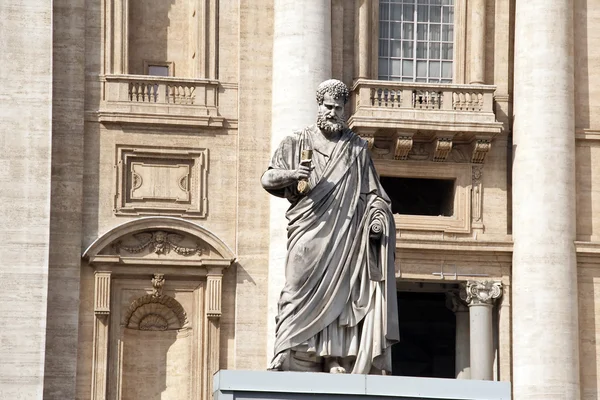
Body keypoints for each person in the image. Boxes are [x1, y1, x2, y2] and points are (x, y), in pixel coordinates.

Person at [262, 79, 399, 374]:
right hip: (308, 228)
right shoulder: (297, 141)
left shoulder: (357, 149)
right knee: (295, 285)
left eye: (338, 107)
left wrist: (377, 219)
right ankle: (286, 349)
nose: (333, 112)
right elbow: (267, 179)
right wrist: (291, 173)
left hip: (346, 231)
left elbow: (374, 194)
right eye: (328, 106)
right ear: (319, 105)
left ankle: (334, 357)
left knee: (343, 292)